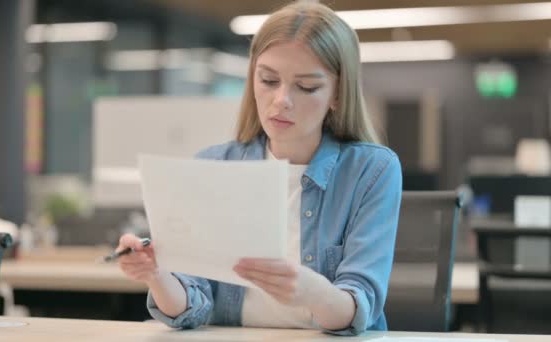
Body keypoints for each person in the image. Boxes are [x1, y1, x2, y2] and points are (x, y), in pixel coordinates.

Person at [116, 1, 402, 336]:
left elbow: (359, 308)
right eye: (268, 80)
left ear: (337, 94)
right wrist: (156, 274)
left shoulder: (371, 171)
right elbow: (192, 306)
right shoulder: (213, 166)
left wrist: (314, 292)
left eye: (306, 87)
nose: (281, 100)